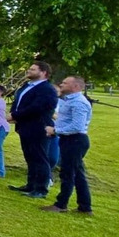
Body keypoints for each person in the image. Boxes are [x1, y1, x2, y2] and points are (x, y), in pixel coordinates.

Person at [39, 76, 94, 214]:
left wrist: (55, 130)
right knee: (78, 174)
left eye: (65, 83)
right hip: (69, 139)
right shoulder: (68, 100)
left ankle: (61, 204)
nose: (61, 84)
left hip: (75, 141)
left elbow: (77, 126)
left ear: (75, 86)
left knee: (68, 173)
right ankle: (85, 207)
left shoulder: (79, 103)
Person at [7, 61, 60, 198]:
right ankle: (31, 185)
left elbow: (37, 107)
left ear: (43, 73)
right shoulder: (27, 85)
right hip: (25, 126)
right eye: (29, 69)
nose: (29, 71)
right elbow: (18, 102)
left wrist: (15, 115)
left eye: (33, 69)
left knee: (40, 158)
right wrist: (14, 115)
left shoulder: (47, 89)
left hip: (39, 127)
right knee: (30, 157)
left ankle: (41, 189)